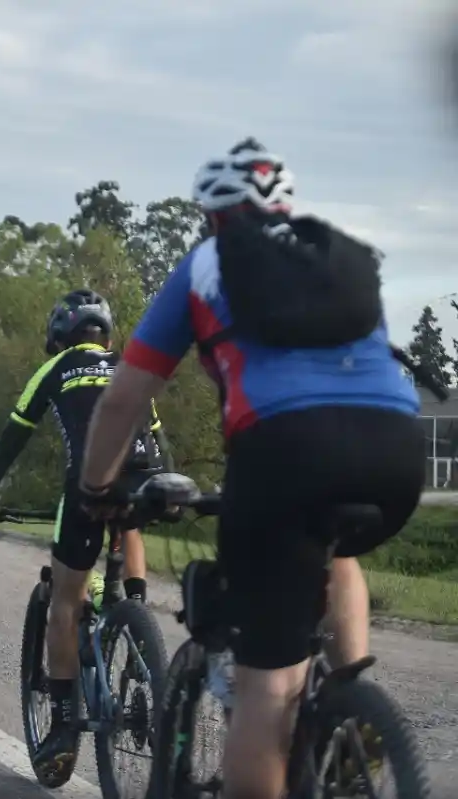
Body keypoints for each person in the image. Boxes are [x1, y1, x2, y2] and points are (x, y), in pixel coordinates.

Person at [77, 138, 421, 799]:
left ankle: (308, 714)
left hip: (285, 453)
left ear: (212, 214)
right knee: (329, 545)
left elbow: (125, 396)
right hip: (395, 452)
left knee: (268, 683)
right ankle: (349, 708)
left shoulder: (207, 262)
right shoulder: (338, 257)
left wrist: (97, 487)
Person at [0, 287, 170, 787]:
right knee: (130, 514)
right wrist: (166, 485)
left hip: (88, 484)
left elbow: (14, 433)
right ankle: (135, 620)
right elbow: (157, 438)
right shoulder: (130, 365)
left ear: (60, 333)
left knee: (64, 600)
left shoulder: (55, 369)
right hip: (146, 479)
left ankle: (60, 727)